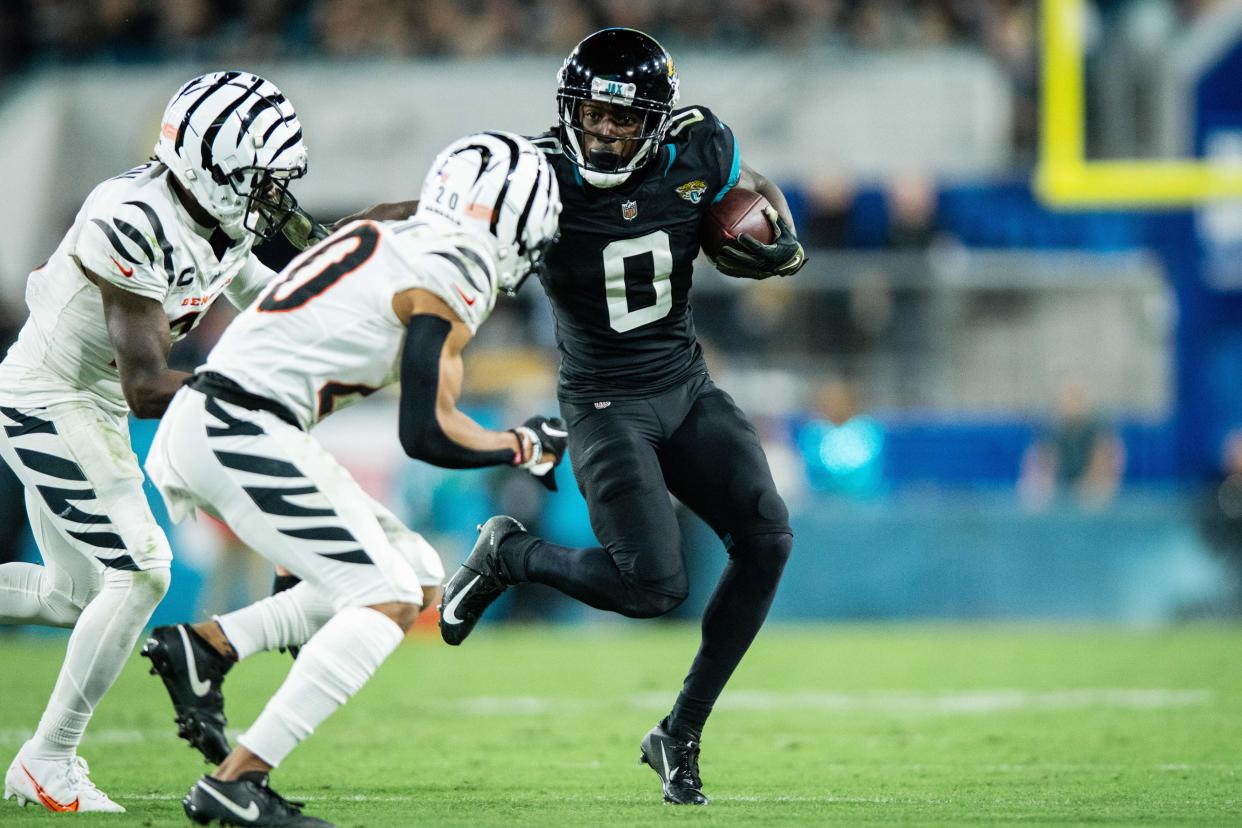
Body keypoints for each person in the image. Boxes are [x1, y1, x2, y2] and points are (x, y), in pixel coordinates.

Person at [140, 131, 564, 827]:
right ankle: (238, 782)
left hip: (237, 418)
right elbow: (425, 432)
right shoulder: (455, 263)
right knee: (388, 595)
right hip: (238, 424)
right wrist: (518, 446)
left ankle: (210, 645)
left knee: (417, 571)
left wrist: (513, 443)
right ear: (519, 217)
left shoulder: (391, 233)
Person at [442, 28, 807, 805]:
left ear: (657, 119)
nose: (605, 132)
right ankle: (511, 555)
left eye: (624, 120)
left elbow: (757, 188)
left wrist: (784, 237)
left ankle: (679, 731)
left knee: (768, 538)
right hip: (604, 401)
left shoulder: (700, 146)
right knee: (652, 589)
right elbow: (432, 227)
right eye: (592, 116)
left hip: (684, 381)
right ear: (568, 110)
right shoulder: (532, 175)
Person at [0, 70, 314, 814]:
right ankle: (47, 760)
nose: (273, 196)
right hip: (53, 397)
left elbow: (261, 299)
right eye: (262, 180)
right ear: (213, 169)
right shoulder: (133, 217)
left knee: (72, 594)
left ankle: (46, 759)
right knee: (142, 572)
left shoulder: (210, 214)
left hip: (92, 403)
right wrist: (257, 390)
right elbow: (147, 385)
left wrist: (342, 298)